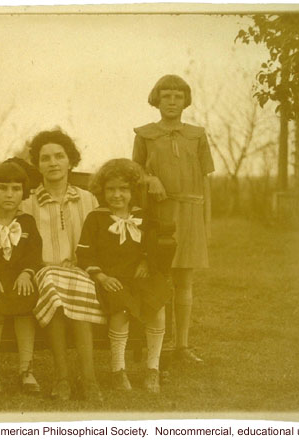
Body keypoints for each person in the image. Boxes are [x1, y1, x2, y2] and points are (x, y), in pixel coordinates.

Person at [133, 74, 215, 364]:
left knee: (185, 280)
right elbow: (135, 171)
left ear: (185, 101)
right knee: (157, 277)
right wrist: (149, 177)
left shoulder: (197, 135)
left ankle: (182, 346)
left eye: (177, 96)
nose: (171, 101)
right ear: (156, 99)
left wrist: (206, 223)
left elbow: (205, 180)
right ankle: (154, 344)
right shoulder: (145, 134)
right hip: (159, 213)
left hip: (190, 213)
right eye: (165, 95)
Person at [20, 129, 105, 402]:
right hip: (44, 271)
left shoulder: (88, 199)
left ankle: (89, 379)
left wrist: (82, 265)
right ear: (38, 164)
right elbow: (26, 247)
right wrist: (46, 266)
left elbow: (96, 242)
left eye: (59, 156)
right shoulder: (28, 203)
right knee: (55, 287)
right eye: (45, 158)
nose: (53, 163)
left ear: (71, 161)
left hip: (81, 271)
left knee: (75, 286)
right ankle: (62, 377)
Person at [76, 159, 171, 393]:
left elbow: (152, 244)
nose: (117, 195)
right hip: (112, 278)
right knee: (120, 309)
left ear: (132, 191)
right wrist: (101, 277)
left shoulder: (143, 216)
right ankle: (118, 369)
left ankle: (153, 369)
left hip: (140, 276)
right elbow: (84, 254)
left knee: (158, 305)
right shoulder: (96, 218)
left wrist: (146, 261)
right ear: (102, 190)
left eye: (123, 189)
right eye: (111, 189)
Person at [0, 161, 43, 396]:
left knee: (26, 299)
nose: (9, 194)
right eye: (3, 188)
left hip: (20, 278)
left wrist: (27, 273)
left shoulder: (27, 223)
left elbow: (34, 253)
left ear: (23, 193)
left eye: (15, 189)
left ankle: (26, 369)